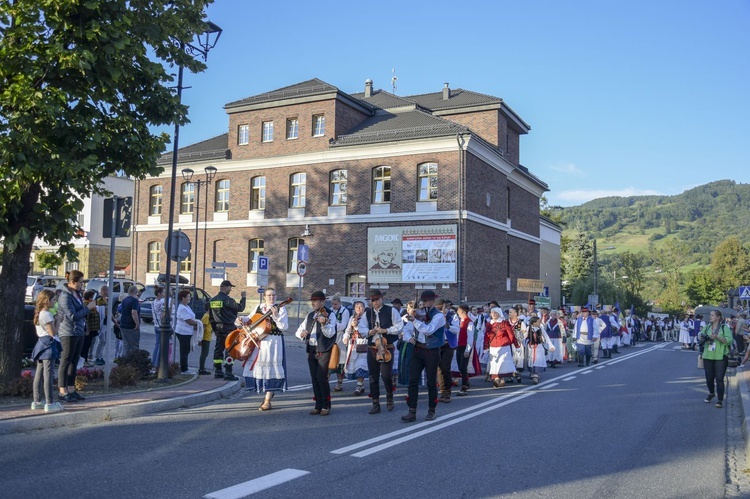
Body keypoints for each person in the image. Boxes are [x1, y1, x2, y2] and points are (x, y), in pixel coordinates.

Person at [240, 287, 289, 410]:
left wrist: (276, 315)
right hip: (258, 341)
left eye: (273, 295)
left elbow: (284, 327)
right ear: (265, 297)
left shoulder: (281, 309)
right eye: (269, 295)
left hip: (273, 342)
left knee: (271, 370)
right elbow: (250, 319)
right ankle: (264, 393)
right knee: (258, 369)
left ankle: (267, 400)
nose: (271, 297)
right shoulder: (259, 307)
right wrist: (242, 319)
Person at [401, 290, 445, 422]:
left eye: (425, 301)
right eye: (422, 301)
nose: (423, 304)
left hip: (431, 351)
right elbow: (407, 330)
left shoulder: (439, 316)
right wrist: (410, 339)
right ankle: (412, 411)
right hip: (418, 349)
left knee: (431, 382)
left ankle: (432, 410)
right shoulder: (418, 314)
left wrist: (415, 320)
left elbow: (428, 329)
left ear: (432, 301)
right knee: (412, 380)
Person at [357, 289, 403, 414]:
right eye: (372, 300)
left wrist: (386, 330)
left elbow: (399, 326)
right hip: (373, 348)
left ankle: (389, 396)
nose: (375, 302)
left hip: (386, 347)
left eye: (377, 299)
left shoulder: (391, 311)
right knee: (373, 377)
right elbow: (361, 328)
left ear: (381, 299)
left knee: (386, 375)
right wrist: (368, 332)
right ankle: (375, 403)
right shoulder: (368, 313)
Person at [58, 270, 96, 403]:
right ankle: (62, 391)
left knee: (74, 362)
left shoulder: (77, 295)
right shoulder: (65, 296)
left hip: (78, 331)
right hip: (68, 332)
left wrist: (85, 326)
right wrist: (88, 308)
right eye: (79, 282)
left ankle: (71, 389)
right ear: (72, 282)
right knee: (66, 361)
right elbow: (72, 316)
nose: (81, 285)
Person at [296, 290, 335, 415]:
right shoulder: (310, 315)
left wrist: (323, 324)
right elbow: (299, 330)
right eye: (312, 301)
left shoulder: (330, 315)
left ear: (323, 302)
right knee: (314, 379)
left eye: (315, 301)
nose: (313, 303)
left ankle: (326, 405)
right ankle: (318, 405)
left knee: (321, 378)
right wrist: (301, 334)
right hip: (312, 350)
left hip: (324, 350)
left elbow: (330, 333)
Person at [30, 290, 63, 413]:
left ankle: (37, 401)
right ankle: (50, 402)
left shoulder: (39, 313)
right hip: (48, 344)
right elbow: (53, 332)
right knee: (48, 374)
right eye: (53, 300)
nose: (55, 302)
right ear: (46, 301)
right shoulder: (47, 314)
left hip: (41, 343)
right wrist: (58, 320)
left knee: (39, 373)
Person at [209, 280, 247, 380]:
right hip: (229, 328)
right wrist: (243, 298)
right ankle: (228, 372)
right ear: (225, 287)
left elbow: (211, 318)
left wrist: (215, 329)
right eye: (230, 287)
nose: (231, 289)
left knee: (218, 350)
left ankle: (218, 371)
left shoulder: (212, 300)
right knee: (230, 350)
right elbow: (240, 308)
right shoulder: (228, 300)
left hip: (218, 329)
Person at [700, 310, 733, 409]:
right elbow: (701, 336)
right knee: (709, 379)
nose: (710, 317)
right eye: (710, 315)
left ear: (718, 317)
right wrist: (703, 338)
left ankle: (720, 400)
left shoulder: (724, 328)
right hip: (708, 355)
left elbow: (729, 341)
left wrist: (717, 337)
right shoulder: (707, 327)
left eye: (712, 315)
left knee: (719, 379)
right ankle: (711, 393)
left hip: (721, 356)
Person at [343, 300, 369, 396]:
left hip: (363, 343)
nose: (359, 308)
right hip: (353, 344)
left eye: (361, 306)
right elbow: (348, 329)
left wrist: (357, 327)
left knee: (360, 365)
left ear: (364, 308)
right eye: (357, 306)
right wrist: (345, 337)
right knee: (354, 365)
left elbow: (367, 330)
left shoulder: (367, 318)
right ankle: (361, 385)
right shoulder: (352, 318)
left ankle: (359, 386)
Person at [436, 298, 458, 403]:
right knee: (439, 369)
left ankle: (448, 392)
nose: (440, 310)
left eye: (441, 308)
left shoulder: (452, 315)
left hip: (448, 344)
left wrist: (447, 325)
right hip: (437, 344)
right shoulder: (435, 315)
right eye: (438, 309)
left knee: (445, 367)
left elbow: (456, 329)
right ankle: (442, 391)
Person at [329, 294, 350, 392]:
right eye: (332, 304)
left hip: (340, 338)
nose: (334, 306)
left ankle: (339, 382)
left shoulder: (344, 311)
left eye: (335, 304)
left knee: (340, 361)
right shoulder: (330, 310)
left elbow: (343, 325)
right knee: (329, 360)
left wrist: (332, 324)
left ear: (340, 303)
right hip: (331, 338)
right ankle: (325, 381)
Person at [173, 290, 199, 373]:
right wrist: (198, 324)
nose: (190, 298)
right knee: (184, 350)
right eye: (188, 297)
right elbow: (188, 321)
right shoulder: (182, 308)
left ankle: (185, 367)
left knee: (186, 350)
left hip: (187, 331)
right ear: (183, 298)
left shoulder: (187, 306)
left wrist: (195, 324)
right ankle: (184, 369)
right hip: (183, 332)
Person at [454, 304, 475, 395]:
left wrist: (467, 350)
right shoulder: (460, 321)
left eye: (458, 310)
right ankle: (466, 382)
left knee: (463, 367)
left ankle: (464, 388)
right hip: (459, 346)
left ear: (463, 311)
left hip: (465, 347)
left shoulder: (469, 322)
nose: (457, 312)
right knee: (460, 366)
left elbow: (470, 338)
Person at [527, 316, 553, 384]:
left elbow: (546, 337)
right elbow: (525, 338)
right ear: (534, 323)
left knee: (538, 360)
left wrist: (551, 346)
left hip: (539, 347)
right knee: (532, 360)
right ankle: (533, 373)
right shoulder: (529, 329)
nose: (540, 323)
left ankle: (536, 375)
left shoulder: (541, 328)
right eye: (538, 322)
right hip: (531, 347)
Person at [119, 285, 141, 357]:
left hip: (123, 325)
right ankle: (133, 363)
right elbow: (134, 312)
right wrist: (137, 324)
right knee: (134, 346)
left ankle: (124, 363)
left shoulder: (125, 300)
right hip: (131, 326)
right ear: (136, 292)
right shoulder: (134, 301)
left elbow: (122, 311)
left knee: (126, 345)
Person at [80, 290, 101, 367]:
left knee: (88, 345)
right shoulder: (86, 304)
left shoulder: (91, 305)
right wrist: (87, 329)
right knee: (85, 345)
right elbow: (86, 318)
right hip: (88, 330)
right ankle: (83, 360)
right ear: (89, 298)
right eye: (93, 297)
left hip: (93, 329)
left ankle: (85, 359)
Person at [92, 285, 110, 365]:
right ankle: (97, 357)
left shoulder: (104, 299)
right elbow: (102, 311)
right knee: (102, 340)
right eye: (107, 291)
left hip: (104, 322)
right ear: (104, 291)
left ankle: (100, 356)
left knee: (104, 341)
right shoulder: (99, 300)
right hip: (100, 323)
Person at [151, 286, 165, 369]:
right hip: (160, 325)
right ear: (159, 294)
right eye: (163, 293)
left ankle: (153, 362)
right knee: (160, 346)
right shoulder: (161, 303)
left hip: (156, 325)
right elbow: (163, 314)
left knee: (157, 345)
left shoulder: (153, 302)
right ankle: (156, 364)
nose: (164, 294)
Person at [198, 303, 213, 375]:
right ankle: (201, 369)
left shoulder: (208, 316)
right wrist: (200, 339)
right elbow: (203, 328)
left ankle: (202, 368)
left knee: (205, 353)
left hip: (208, 337)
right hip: (205, 338)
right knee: (204, 353)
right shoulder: (206, 316)